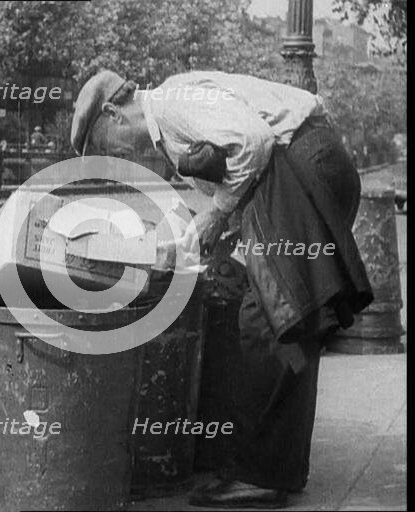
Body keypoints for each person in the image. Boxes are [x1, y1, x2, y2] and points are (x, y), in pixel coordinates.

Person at [71, 70, 373, 508]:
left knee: (267, 318)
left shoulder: (173, 103)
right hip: (306, 171)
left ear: (115, 114)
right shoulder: (170, 130)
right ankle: (277, 469)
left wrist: (215, 217)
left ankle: (260, 476)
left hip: (301, 169)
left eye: (104, 146)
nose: (115, 157)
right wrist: (216, 238)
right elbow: (239, 180)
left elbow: (253, 142)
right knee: (290, 324)